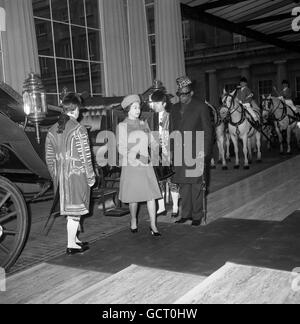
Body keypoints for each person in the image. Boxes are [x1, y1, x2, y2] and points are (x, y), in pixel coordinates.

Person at [45, 93, 96, 255]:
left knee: (71, 211)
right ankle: (71, 245)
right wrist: (90, 176)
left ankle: (74, 239)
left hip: (61, 177)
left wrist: (56, 175)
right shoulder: (78, 128)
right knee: (75, 211)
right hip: (76, 175)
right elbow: (85, 156)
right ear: (75, 109)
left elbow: (49, 158)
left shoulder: (52, 129)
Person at [170, 76, 213, 226]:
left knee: (196, 185)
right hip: (179, 151)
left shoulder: (201, 107)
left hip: (196, 150)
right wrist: (171, 150)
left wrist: (205, 152)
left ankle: (197, 216)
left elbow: (208, 131)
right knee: (183, 185)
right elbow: (172, 131)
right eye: (179, 94)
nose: (182, 97)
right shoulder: (174, 109)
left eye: (185, 94)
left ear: (191, 93)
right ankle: (186, 214)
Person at [117, 94, 162, 236]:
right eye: (135, 108)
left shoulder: (143, 124)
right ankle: (133, 219)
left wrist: (156, 144)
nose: (138, 110)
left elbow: (151, 141)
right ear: (128, 110)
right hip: (132, 165)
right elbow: (121, 147)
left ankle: (153, 225)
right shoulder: (122, 126)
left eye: (139, 108)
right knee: (134, 197)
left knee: (151, 196)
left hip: (145, 164)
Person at [148, 88, 180, 218]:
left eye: (156, 103)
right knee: (158, 180)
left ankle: (175, 206)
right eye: (153, 103)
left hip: (168, 151)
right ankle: (161, 207)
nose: (154, 105)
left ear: (164, 104)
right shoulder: (151, 118)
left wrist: (172, 151)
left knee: (171, 179)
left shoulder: (171, 117)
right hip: (156, 151)